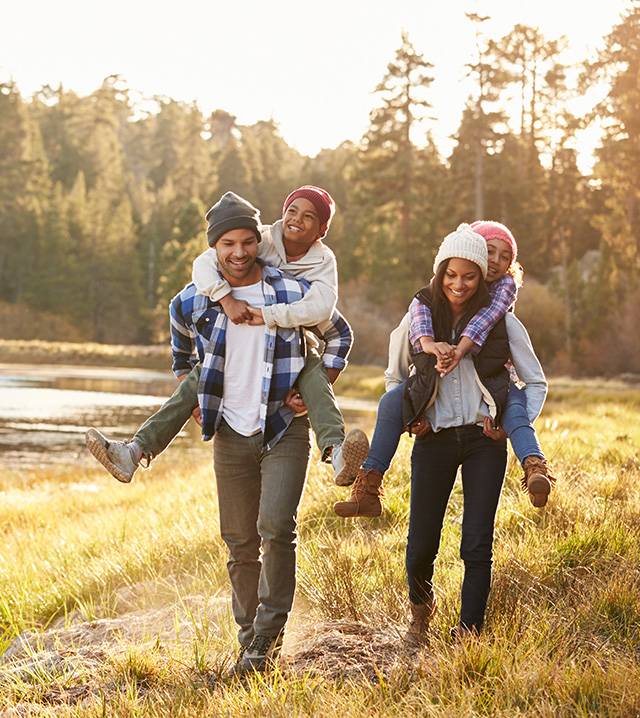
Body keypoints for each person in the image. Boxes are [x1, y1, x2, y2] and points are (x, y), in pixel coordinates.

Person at [162, 193, 353, 672]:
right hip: (229, 430)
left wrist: (316, 386)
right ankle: (249, 640)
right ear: (214, 248)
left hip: (283, 426)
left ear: (257, 243)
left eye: (248, 241)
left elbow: (339, 332)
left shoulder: (289, 290)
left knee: (276, 529)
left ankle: (266, 640)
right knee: (239, 541)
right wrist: (193, 395)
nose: (240, 252)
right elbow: (180, 344)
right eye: (228, 243)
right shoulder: (197, 297)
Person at [85, 188, 367, 487]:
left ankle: (337, 453)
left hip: (295, 345)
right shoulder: (262, 238)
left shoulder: (321, 263)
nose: (240, 252)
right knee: (199, 376)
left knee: (313, 374)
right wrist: (225, 299)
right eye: (292, 211)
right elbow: (204, 265)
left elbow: (327, 313)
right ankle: (133, 452)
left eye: (309, 216)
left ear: (322, 230)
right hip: (234, 350)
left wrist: (315, 383)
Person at [385, 226, 547, 643]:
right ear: (441, 273)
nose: (459, 284)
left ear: (481, 277)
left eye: (470, 275)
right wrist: (410, 417)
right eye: (451, 275)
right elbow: (394, 378)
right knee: (421, 541)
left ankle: (469, 631)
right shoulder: (419, 318)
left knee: (477, 543)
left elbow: (536, 383)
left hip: (483, 442)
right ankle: (420, 615)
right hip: (433, 439)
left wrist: (509, 424)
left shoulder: (503, 323)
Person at [334, 220, 553, 519]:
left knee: (515, 408)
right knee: (390, 401)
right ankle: (368, 484)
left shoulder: (501, 300)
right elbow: (406, 348)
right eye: (490, 252)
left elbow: (484, 323)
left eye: (505, 257)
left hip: (495, 390)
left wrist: (459, 350)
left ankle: (534, 465)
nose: (496, 262)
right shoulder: (426, 302)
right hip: (434, 416)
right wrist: (414, 409)